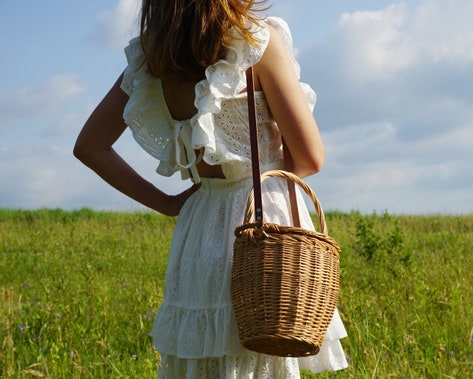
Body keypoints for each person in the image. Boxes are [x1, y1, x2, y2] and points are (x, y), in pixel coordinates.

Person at [74, 0, 348, 377]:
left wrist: (167, 203)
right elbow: (310, 159)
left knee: (205, 360)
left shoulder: (152, 57)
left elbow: (90, 146)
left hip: (200, 224)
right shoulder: (255, 42)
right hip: (264, 220)